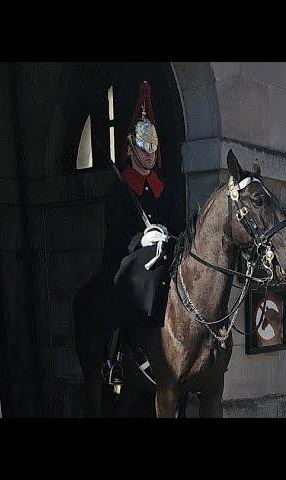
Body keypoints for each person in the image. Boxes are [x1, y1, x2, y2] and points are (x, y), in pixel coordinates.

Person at [101, 81, 182, 387]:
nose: (149, 154)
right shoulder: (120, 189)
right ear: (131, 148)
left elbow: (176, 224)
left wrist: (170, 238)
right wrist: (141, 240)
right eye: (144, 148)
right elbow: (116, 232)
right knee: (142, 276)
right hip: (128, 255)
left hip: (165, 249)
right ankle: (120, 354)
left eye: (153, 148)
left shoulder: (165, 190)